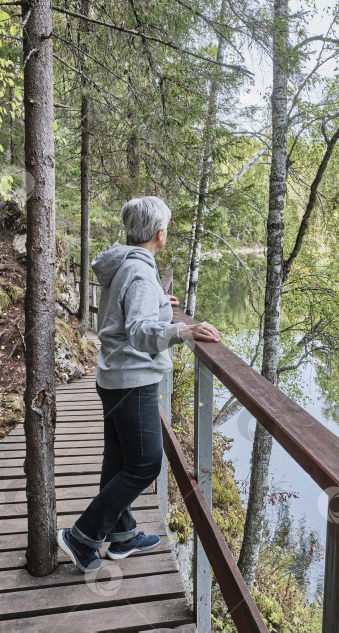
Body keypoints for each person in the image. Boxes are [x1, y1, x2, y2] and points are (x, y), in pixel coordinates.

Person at [58, 196, 221, 573]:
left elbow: (124, 309)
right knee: (146, 463)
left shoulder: (124, 264)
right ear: (160, 234)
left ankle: (122, 533)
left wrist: (160, 303)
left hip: (112, 377)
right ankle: (82, 536)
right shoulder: (141, 272)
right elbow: (140, 332)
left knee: (117, 461)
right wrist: (183, 328)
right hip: (133, 380)